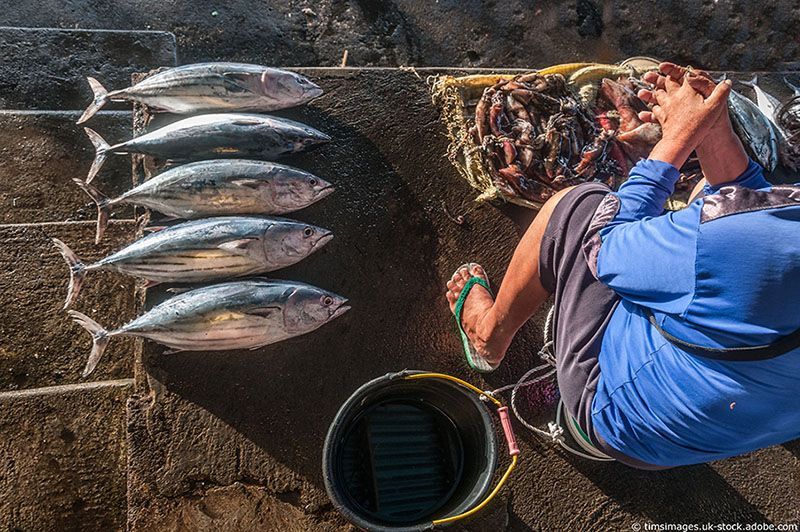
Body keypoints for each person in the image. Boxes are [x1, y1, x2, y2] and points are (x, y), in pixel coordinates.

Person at [446, 62, 800, 469]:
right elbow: (753, 207)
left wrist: (678, 139)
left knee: (579, 207)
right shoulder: (758, 237)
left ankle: (488, 337)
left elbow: (602, 247)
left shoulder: (738, 244)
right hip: (731, 430)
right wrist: (714, 130)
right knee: (708, 201)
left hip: (621, 423)